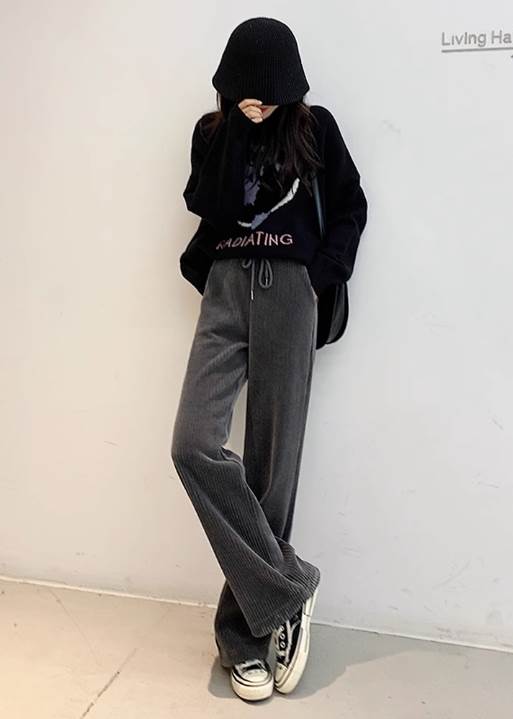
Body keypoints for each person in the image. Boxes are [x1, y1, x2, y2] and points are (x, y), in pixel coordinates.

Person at [171, 16, 368, 701]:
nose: (259, 102)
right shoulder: (212, 131)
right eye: (245, 91)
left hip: (289, 291)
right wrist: (239, 124)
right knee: (193, 443)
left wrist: (318, 276)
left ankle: (244, 638)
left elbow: (350, 205)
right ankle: (290, 585)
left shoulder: (315, 128)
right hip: (226, 290)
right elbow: (207, 202)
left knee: (270, 472)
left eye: (268, 93)